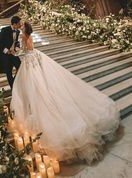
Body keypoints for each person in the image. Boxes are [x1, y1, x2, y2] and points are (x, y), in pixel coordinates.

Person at [11, 21, 120, 163]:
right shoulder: (28, 35)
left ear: (24, 29)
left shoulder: (24, 37)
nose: (21, 28)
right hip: (35, 57)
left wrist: (17, 52)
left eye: (22, 27)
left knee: (35, 85)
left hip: (30, 60)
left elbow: (28, 49)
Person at [0, 16, 22, 89]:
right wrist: (6, 51)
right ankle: (13, 88)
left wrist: (17, 48)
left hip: (13, 54)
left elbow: (17, 42)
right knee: (9, 72)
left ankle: (14, 81)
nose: (20, 25)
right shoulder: (4, 30)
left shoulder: (18, 31)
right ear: (14, 24)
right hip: (5, 55)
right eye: (19, 24)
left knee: (20, 67)